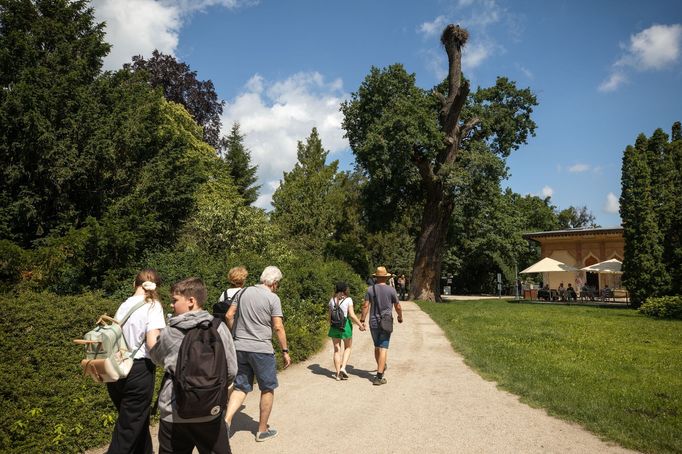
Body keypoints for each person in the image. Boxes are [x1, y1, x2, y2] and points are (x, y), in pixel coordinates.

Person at [150, 277, 237, 454]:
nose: (171, 305)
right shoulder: (218, 328)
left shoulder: (170, 332)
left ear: (191, 301)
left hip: (174, 411)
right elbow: (232, 371)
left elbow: (156, 358)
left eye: (175, 300)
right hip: (210, 410)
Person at [225, 266, 291, 442]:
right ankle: (262, 430)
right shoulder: (273, 298)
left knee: (240, 386)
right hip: (261, 349)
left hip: (240, 347)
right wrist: (285, 350)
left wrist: (236, 335)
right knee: (267, 388)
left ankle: (226, 420)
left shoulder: (243, 292)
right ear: (275, 283)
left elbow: (229, 315)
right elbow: (278, 326)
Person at [106, 269, 166, 454]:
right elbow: (152, 342)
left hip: (116, 369)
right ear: (156, 287)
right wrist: (167, 361)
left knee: (136, 421)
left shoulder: (124, 305)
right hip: (139, 370)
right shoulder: (153, 305)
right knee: (129, 428)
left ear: (135, 284)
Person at [361, 266, 403, 386]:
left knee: (376, 346)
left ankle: (380, 365)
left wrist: (362, 319)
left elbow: (365, 306)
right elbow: (398, 306)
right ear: (386, 277)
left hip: (373, 322)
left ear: (376, 277)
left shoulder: (370, 290)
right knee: (383, 347)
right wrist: (400, 317)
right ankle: (379, 376)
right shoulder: (391, 290)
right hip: (386, 322)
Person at [328, 281, 365, 380]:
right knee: (348, 347)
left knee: (336, 350)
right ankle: (343, 368)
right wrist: (360, 325)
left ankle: (337, 374)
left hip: (334, 326)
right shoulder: (348, 300)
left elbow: (329, 316)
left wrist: (331, 325)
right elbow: (352, 315)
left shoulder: (331, 300)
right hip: (345, 326)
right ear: (345, 290)